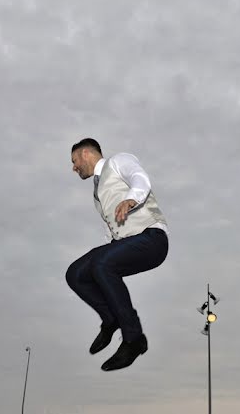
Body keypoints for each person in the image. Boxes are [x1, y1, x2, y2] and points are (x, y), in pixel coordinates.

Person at [65, 138, 169, 371]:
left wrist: (132, 198)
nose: (73, 167)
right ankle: (110, 318)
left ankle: (133, 339)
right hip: (126, 242)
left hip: (152, 238)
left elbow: (139, 178)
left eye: (74, 161)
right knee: (75, 273)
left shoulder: (118, 161)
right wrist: (109, 248)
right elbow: (111, 228)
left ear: (85, 154)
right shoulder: (97, 192)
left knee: (102, 264)